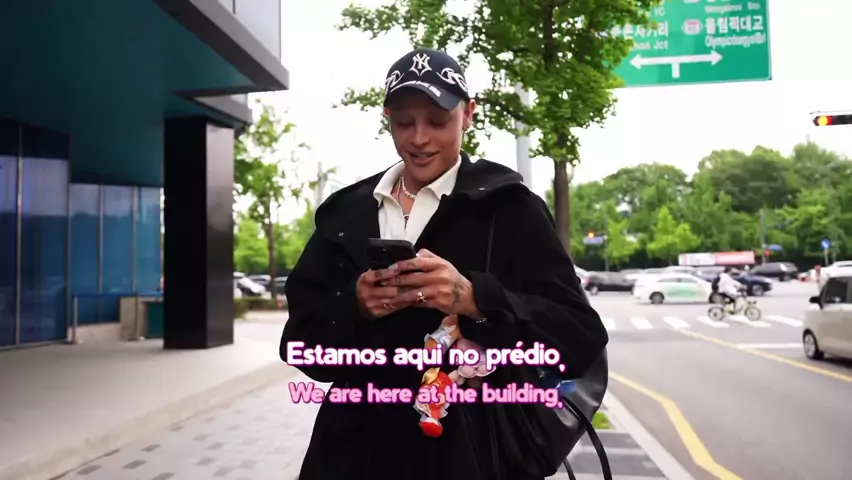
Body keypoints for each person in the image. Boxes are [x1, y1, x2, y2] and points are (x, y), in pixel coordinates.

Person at [279, 48, 608, 480]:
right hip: (352, 455)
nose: (419, 138)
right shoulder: (346, 215)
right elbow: (301, 347)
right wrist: (354, 306)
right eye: (404, 122)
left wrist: (475, 298)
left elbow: (579, 338)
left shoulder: (510, 208)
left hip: (471, 455)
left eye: (437, 121)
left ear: (468, 114)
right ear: (387, 117)